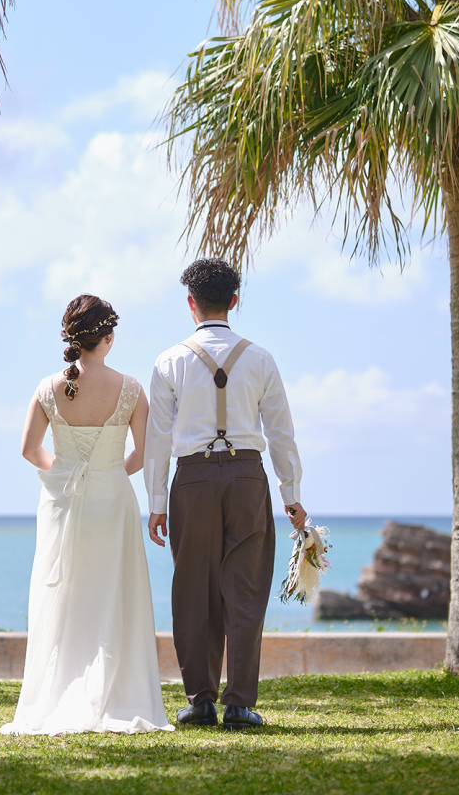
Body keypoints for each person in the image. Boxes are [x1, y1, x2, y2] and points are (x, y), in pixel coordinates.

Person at [0, 294, 173, 737]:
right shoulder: (130, 388)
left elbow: (28, 450)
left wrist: (63, 472)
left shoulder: (47, 387)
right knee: (114, 593)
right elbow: (148, 448)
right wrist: (112, 471)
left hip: (62, 504)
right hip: (112, 500)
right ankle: (117, 695)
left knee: (64, 594)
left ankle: (56, 695)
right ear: (108, 337)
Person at [144, 258, 306, 730]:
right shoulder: (261, 358)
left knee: (192, 588)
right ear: (234, 301)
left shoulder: (169, 360)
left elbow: (157, 439)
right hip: (248, 477)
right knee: (246, 589)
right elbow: (281, 432)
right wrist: (291, 492)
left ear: (190, 303)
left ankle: (200, 701)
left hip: (192, 479)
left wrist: (156, 502)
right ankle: (238, 703)